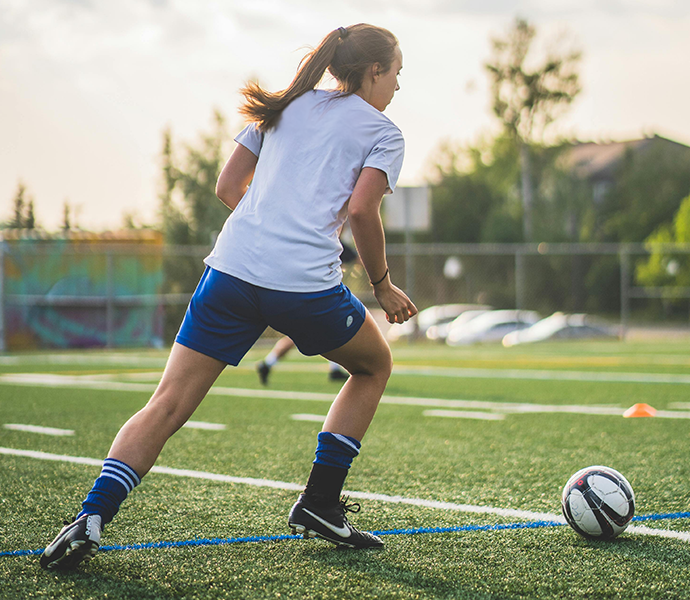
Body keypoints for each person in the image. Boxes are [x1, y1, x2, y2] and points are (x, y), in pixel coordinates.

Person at [41, 23, 418, 570]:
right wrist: (381, 286)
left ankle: (90, 518)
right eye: (397, 74)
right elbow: (362, 211)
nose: (398, 87)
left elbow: (226, 188)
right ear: (374, 70)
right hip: (303, 287)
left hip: (230, 274)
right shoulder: (384, 131)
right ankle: (318, 502)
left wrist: (266, 230)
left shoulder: (283, 104)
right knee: (374, 365)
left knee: (166, 404)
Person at [258, 243, 360, 384]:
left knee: (304, 333)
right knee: (326, 330)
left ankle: (269, 363)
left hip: (299, 293)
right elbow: (357, 259)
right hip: (314, 296)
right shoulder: (328, 240)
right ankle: (268, 363)